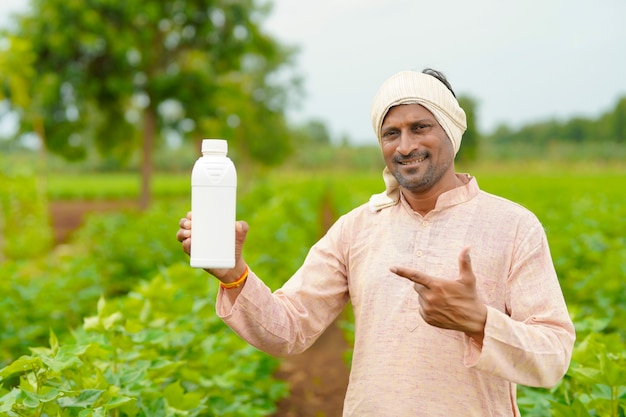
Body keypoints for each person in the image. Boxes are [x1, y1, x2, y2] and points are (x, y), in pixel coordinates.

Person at [176, 68, 575, 416]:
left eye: (420, 127)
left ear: (451, 131)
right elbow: (289, 328)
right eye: (391, 133)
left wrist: (480, 322)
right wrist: (234, 275)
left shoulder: (513, 225)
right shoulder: (358, 228)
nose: (405, 146)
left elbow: (554, 355)